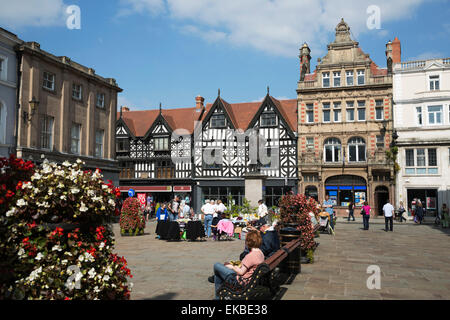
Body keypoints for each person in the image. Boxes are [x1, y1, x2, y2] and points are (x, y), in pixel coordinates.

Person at [209, 230, 264, 300]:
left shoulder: (250, 256)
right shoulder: (260, 253)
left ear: (248, 242)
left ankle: (218, 298)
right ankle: (218, 297)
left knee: (216, 265)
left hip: (240, 282)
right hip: (249, 280)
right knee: (220, 270)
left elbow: (241, 272)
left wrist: (232, 267)